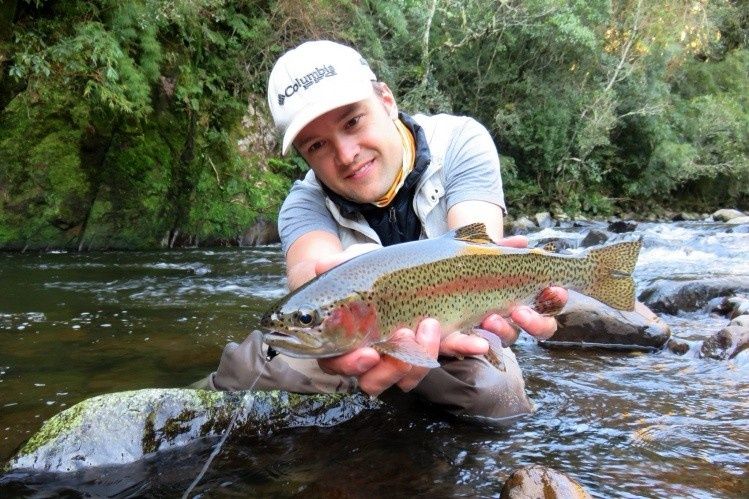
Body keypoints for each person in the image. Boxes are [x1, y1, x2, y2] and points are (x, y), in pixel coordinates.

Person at [194, 40, 567, 419]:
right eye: (318, 145)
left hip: (459, 329)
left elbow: (479, 252)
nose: (345, 154)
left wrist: (516, 303)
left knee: (494, 397)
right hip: (354, 342)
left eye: (353, 121)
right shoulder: (302, 204)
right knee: (244, 370)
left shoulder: (460, 141)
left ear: (386, 99)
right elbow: (311, 274)